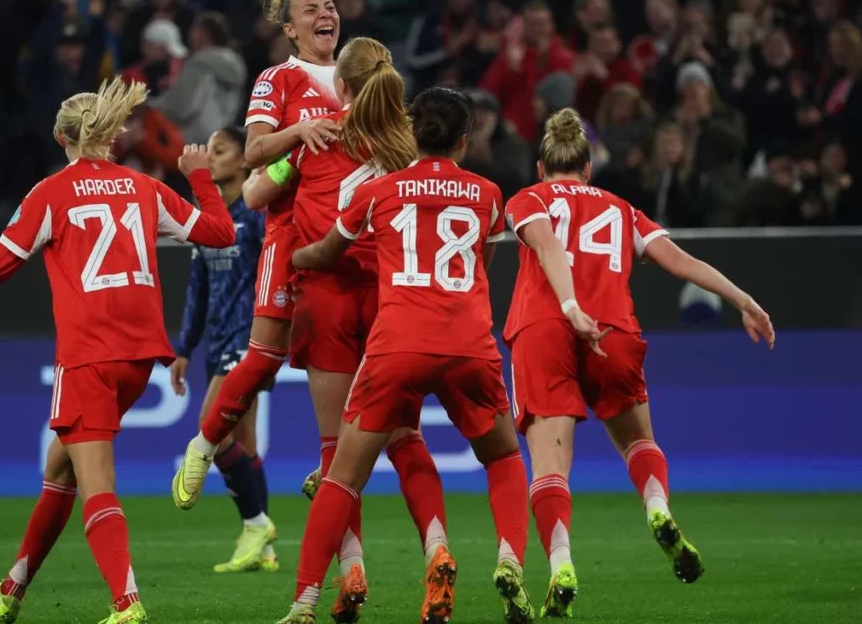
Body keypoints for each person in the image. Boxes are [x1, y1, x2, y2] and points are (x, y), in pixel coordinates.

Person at [0, 77, 235, 624]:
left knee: (96, 483)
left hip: (89, 355)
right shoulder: (145, 187)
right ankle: (14, 584)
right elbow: (220, 232)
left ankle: (127, 602)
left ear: (61, 137)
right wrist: (200, 177)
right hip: (139, 357)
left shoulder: (51, 193)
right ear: (111, 135)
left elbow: (3, 258)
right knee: (62, 466)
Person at [276, 87, 574, 624]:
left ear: (411, 133)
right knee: (503, 458)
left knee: (342, 477)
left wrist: (293, 256)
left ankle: (304, 602)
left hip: (397, 345)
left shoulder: (379, 191)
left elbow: (325, 252)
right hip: (468, 346)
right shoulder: (488, 194)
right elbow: (480, 260)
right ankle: (509, 560)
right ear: (464, 140)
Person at [503, 108, 776, 617]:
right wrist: (744, 300)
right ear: (588, 169)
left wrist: (570, 307)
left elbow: (546, 244)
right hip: (613, 330)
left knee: (550, 466)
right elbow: (682, 262)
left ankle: (562, 563)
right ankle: (656, 506)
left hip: (544, 328)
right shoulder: (622, 209)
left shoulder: (528, 199)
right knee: (637, 441)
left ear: (541, 168)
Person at [243, 37, 448, 621]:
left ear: (341, 86)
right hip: (391, 301)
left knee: (336, 452)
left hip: (327, 298)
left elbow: (253, 191)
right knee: (405, 437)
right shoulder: (407, 146)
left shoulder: (318, 134)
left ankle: (350, 570)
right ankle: (437, 548)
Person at [170, 126, 278, 574]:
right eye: (209, 151)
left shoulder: (257, 217)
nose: (210, 157)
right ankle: (263, 548)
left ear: (244, 161)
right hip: (217, 342)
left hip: (248, 340)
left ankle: (256, 524)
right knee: (245, 443)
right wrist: (184, 347)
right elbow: (197, 287)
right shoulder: (210, 220)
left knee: (210, 429)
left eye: (220, 150)